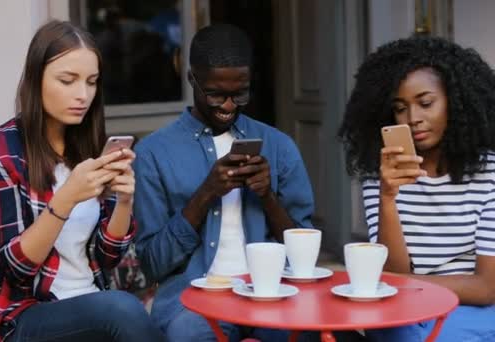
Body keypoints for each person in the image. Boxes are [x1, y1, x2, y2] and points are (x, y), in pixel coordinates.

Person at [0, 20, 165, 342]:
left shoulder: (87, 149)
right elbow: (16, 268)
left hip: (90, 306)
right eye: (67, 81)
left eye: (91, 82)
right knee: (123, 310)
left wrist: (125, 201)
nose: (82, 95)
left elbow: (106, 257)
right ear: (36, 79)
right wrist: (66, 199)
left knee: (131, 314)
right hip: (20, 318)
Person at [133, 23, 314, 341]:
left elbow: (304, 257)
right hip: (193, 304)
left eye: (240, 93)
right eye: (216, 94)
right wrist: (205, 194)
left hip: (270, 295)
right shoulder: (153, 154)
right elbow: (152, 264)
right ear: (191, 79)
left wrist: (267, 197)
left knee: (305, 334)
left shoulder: (279, 146)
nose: (229, 106)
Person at [338, 35, 495, 341]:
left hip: (471, 309)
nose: (413, 119)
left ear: (456, 100)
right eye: (400, 108)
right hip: (404, 308)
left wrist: (404, 283)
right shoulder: (381, 175)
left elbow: (487, 287)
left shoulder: (490, 172)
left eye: (426, 103)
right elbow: (391, 271)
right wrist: (387, 198)